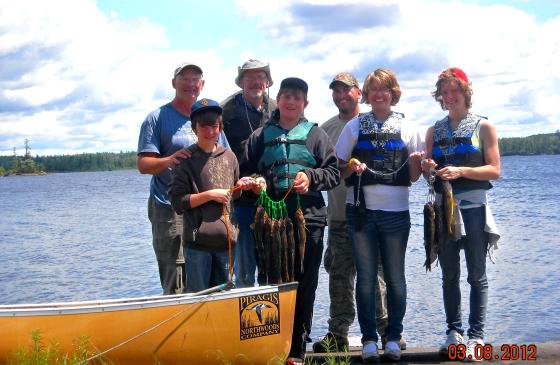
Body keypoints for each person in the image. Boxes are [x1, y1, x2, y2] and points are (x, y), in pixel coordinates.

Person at [243, 77, 340, 365]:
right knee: (272, 280)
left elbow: (333, 173)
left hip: (308, 220)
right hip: (271, 221)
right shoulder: (260, 136)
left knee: (305, 283)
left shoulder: (316, 134)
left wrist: (311, 177)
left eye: (297, 97)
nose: (290, 101)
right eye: (285, 95)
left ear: (304, 104)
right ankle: (270, 345)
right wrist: (256, 181)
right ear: (278, 100)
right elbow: (245, 169)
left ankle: (297, 347)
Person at [335, 68, 422, 362]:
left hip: (396, 215)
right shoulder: (355, 126)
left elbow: (413, 177)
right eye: (374, 89)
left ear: (393, 92)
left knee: (396, 278)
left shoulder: (408, 128)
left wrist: (417, 162)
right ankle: (369, 338)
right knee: (366, 278)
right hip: (361, 212)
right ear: (367, 94)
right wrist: (352, 166)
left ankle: (394, 337)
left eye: (385, 89)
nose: (379, 94)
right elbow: (339, 168)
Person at [421, 67, 501, 362]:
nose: (449, 96)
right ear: (439, 96)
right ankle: (453, 332)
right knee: (449, 275)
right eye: (444, 91)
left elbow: (495, 169)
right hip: (444, 211)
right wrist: (427, 167)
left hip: (475, 211)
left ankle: (476, 337)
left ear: (465, 92)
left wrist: (461, 170)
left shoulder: (484, 127)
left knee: (477, 276)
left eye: (454, 90)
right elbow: (429, 178)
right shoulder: (434, 131)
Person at [137, 63, 229, 295]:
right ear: (173, 83)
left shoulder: (211, 120)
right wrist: (170, 160)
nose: (190, 84)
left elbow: (226, 158)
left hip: (207, 211)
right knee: (176, 275)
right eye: (184, 79)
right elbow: (144, 165)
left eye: (195, 79)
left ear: (202, 85)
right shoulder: (157, 118)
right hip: (170, 209)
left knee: (211, 276)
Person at [168, 99, 254, 292]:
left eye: (214, 126)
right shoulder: (184, 160)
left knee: (225, 303)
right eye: (204, 127)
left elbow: (234, 196)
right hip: (197, 247)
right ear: (194, 128)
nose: (210, 132)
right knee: (198, 302)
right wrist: (209, 195)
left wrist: (240, 187)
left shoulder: (230, 157)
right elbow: (177, 202)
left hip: (227, 246)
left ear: (220, 127)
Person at [221, 59, 277, 288]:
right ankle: (243, 317)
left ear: (267, 82)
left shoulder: (277, 109)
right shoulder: (226, 110)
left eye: (260, 77)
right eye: (249, 77)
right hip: (242, 200)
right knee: (244, 271)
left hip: (272, 200)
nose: (255, 82)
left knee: (272, 266)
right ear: (241, 82)